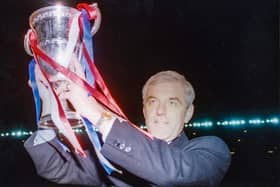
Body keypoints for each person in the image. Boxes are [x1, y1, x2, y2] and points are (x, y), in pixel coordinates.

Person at [24, 63, 231, 187]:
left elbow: (173, 174)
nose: (160, 111)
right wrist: (49, 108)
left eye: (172, 103)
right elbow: (54, 167)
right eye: (152, 102)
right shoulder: (112, 157)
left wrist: (94, 111)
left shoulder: (211, 150)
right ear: (144, 110)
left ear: (188, 113)